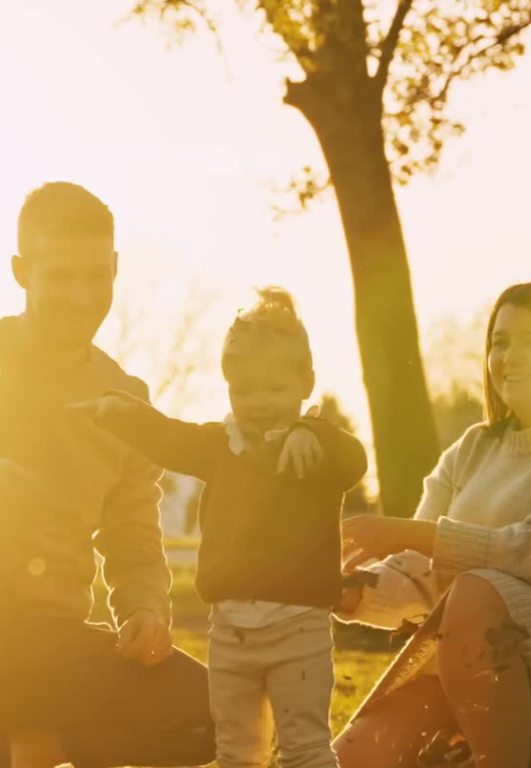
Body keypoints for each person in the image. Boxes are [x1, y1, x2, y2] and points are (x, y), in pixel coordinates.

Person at [0, 182, 215, 768]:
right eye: (61, 277)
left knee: (210, 715)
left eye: (96, 277)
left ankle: (13, 748)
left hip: (46, 643)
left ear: (114, 268)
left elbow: (133, 537)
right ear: (21, 271)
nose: (83, 298)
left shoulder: (125, 403)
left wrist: (144, 610)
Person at [69, 287, 368, 768]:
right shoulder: (221, 447)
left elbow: (354, 459)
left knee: (305, 749)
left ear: (306, 382)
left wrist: (312, 433)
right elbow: (169, 439)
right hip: (230, 634)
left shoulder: (317, 449)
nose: (259, 402)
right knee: (236, 751)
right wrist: (119, 413)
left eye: (275, 388)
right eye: (243, 389)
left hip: (299, 632)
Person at [333, 280, 531, 768]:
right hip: (470, 676)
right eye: (500, 342)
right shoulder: (474, 449)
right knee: (354, 755)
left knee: (476, 591)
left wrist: (417, 534)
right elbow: (422, 574)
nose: (509, 357)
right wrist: (353, 588)